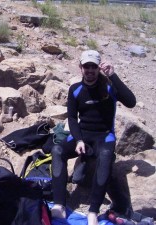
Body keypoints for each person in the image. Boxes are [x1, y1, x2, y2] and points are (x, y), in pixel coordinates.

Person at [50, 50, 136, 225]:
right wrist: (79, 140)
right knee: (57, 149)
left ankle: (93, 212)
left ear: (98, 68)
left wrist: (113, 75)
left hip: (104, 136)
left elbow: (131, 102)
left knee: (104, 157)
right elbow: (73, 119)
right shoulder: (75, 90)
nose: (90, 70)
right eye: (86, 66)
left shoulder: (109, 87)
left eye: (93, 66)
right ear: (80, 68)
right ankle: (59, 204)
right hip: (82, 135)